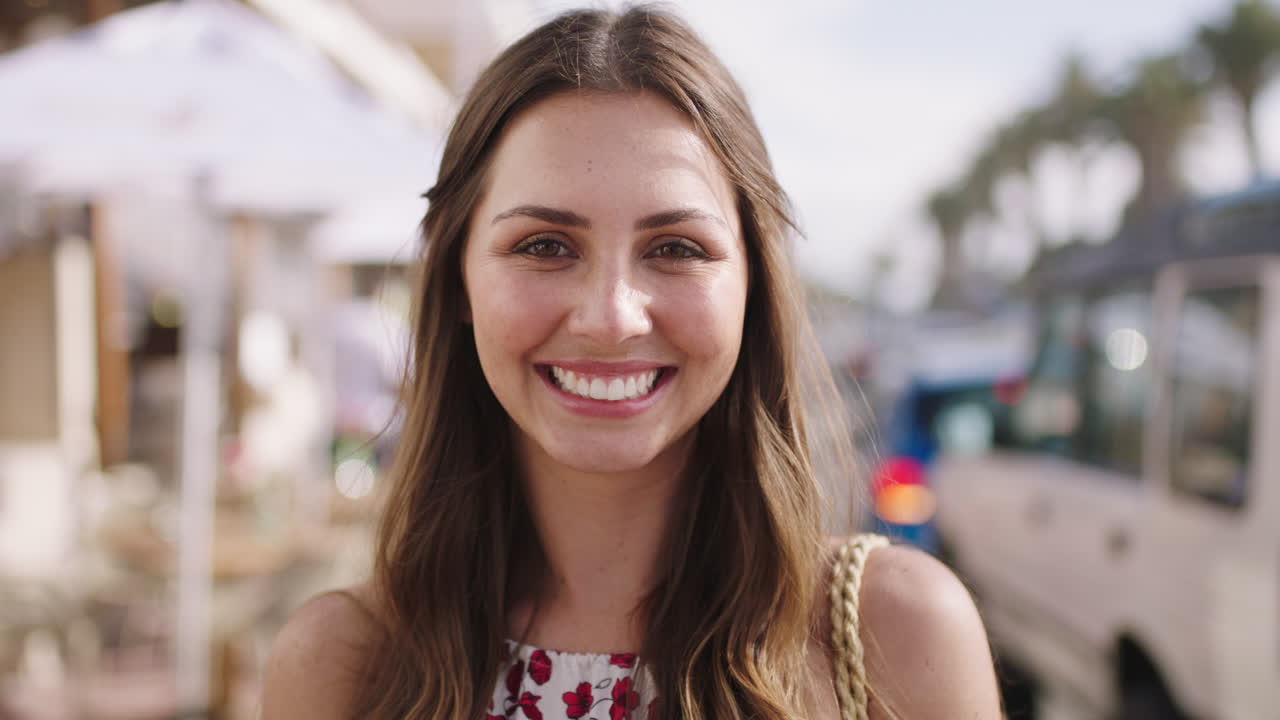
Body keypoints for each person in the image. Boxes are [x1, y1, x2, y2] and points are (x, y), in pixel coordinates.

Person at [262, 7, 1001, 720]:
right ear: (459, 280)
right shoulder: (340, 663)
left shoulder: (894, 636)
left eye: (676, 249)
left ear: (753, 285)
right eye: (545, 246)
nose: (611, 318)